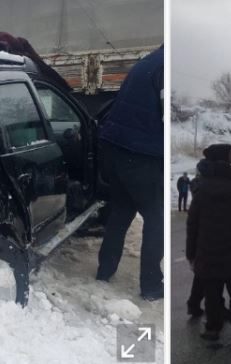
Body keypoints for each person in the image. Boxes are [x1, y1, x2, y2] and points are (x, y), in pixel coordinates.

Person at [95, 46, 164, 301]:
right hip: (140, 154)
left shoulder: (146, 63)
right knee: (157, 219)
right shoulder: (163, 67)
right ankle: (152, 286)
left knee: (121, 212)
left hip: (116, 150)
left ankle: (105, 271)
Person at [187, 143, 231, 340]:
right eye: (230, 153)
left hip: (207, 253)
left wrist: (191, 253)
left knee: (212, 293)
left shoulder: (201, 191)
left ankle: (213, 327)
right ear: (225, 160)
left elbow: (193, 226)